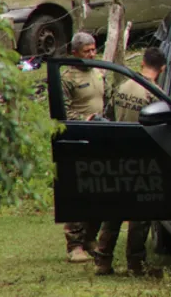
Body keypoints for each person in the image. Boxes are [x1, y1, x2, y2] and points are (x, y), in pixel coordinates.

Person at [93, 46, 168, 276]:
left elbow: (110, 115)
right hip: (141, 157)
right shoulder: (154, 93)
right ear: (162, 68)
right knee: (140, 213)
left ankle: (103, 260)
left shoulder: (123, 85)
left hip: (118, 152)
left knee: (114, 209)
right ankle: (136, 263)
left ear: (143, 61)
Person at [61, 32, 106, 264]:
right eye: (87, 51)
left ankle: (90, 237)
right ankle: (75, 245)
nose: (92, 54)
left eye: (93, 49)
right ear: (75, 52)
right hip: (78, 138)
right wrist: (85, 118)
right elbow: (61, 112)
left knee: (98, 188)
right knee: (78, 190)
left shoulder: (98, 71)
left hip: (99, 137)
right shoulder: (67, 78)